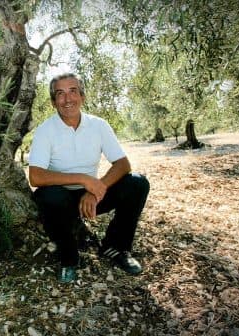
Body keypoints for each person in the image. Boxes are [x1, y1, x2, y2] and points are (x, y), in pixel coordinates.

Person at [28, 73, 149, 283]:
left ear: (82, 96)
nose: (67, 100)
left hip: (92, 196)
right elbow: (35, 177)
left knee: (137, 183)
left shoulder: (99, 125)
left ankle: (116, 248)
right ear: (53, 102)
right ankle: (68, 259)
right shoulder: (45, 130)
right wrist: (83, 179)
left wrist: (95, 189)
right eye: (60, 94)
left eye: (73, 91)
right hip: (62, 198)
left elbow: (123, 164)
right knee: (50, 196)